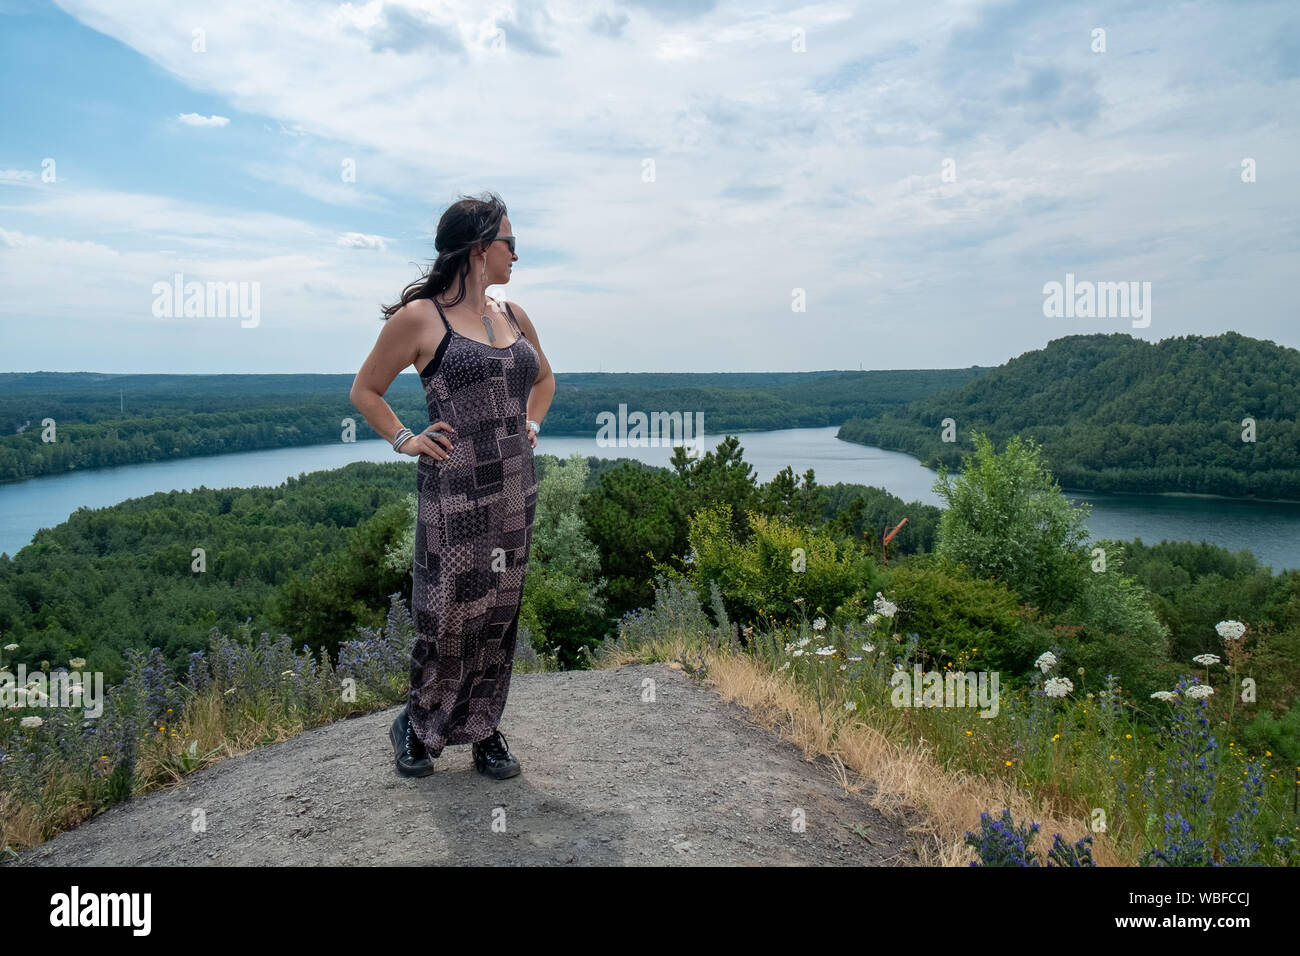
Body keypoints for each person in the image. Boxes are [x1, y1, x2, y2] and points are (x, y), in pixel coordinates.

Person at [349, 192, 554, 779]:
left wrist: (530, 423)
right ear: (478, 247)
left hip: (516, 488)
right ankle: (416, 724)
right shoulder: (422, 318)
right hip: (456, 492)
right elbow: (366, 390)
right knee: (446, 613)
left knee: (499, 612)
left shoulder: (513, 315)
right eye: (509, 241)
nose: (517, 252)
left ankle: (483, 726)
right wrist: (405, 438)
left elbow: (544, 379)